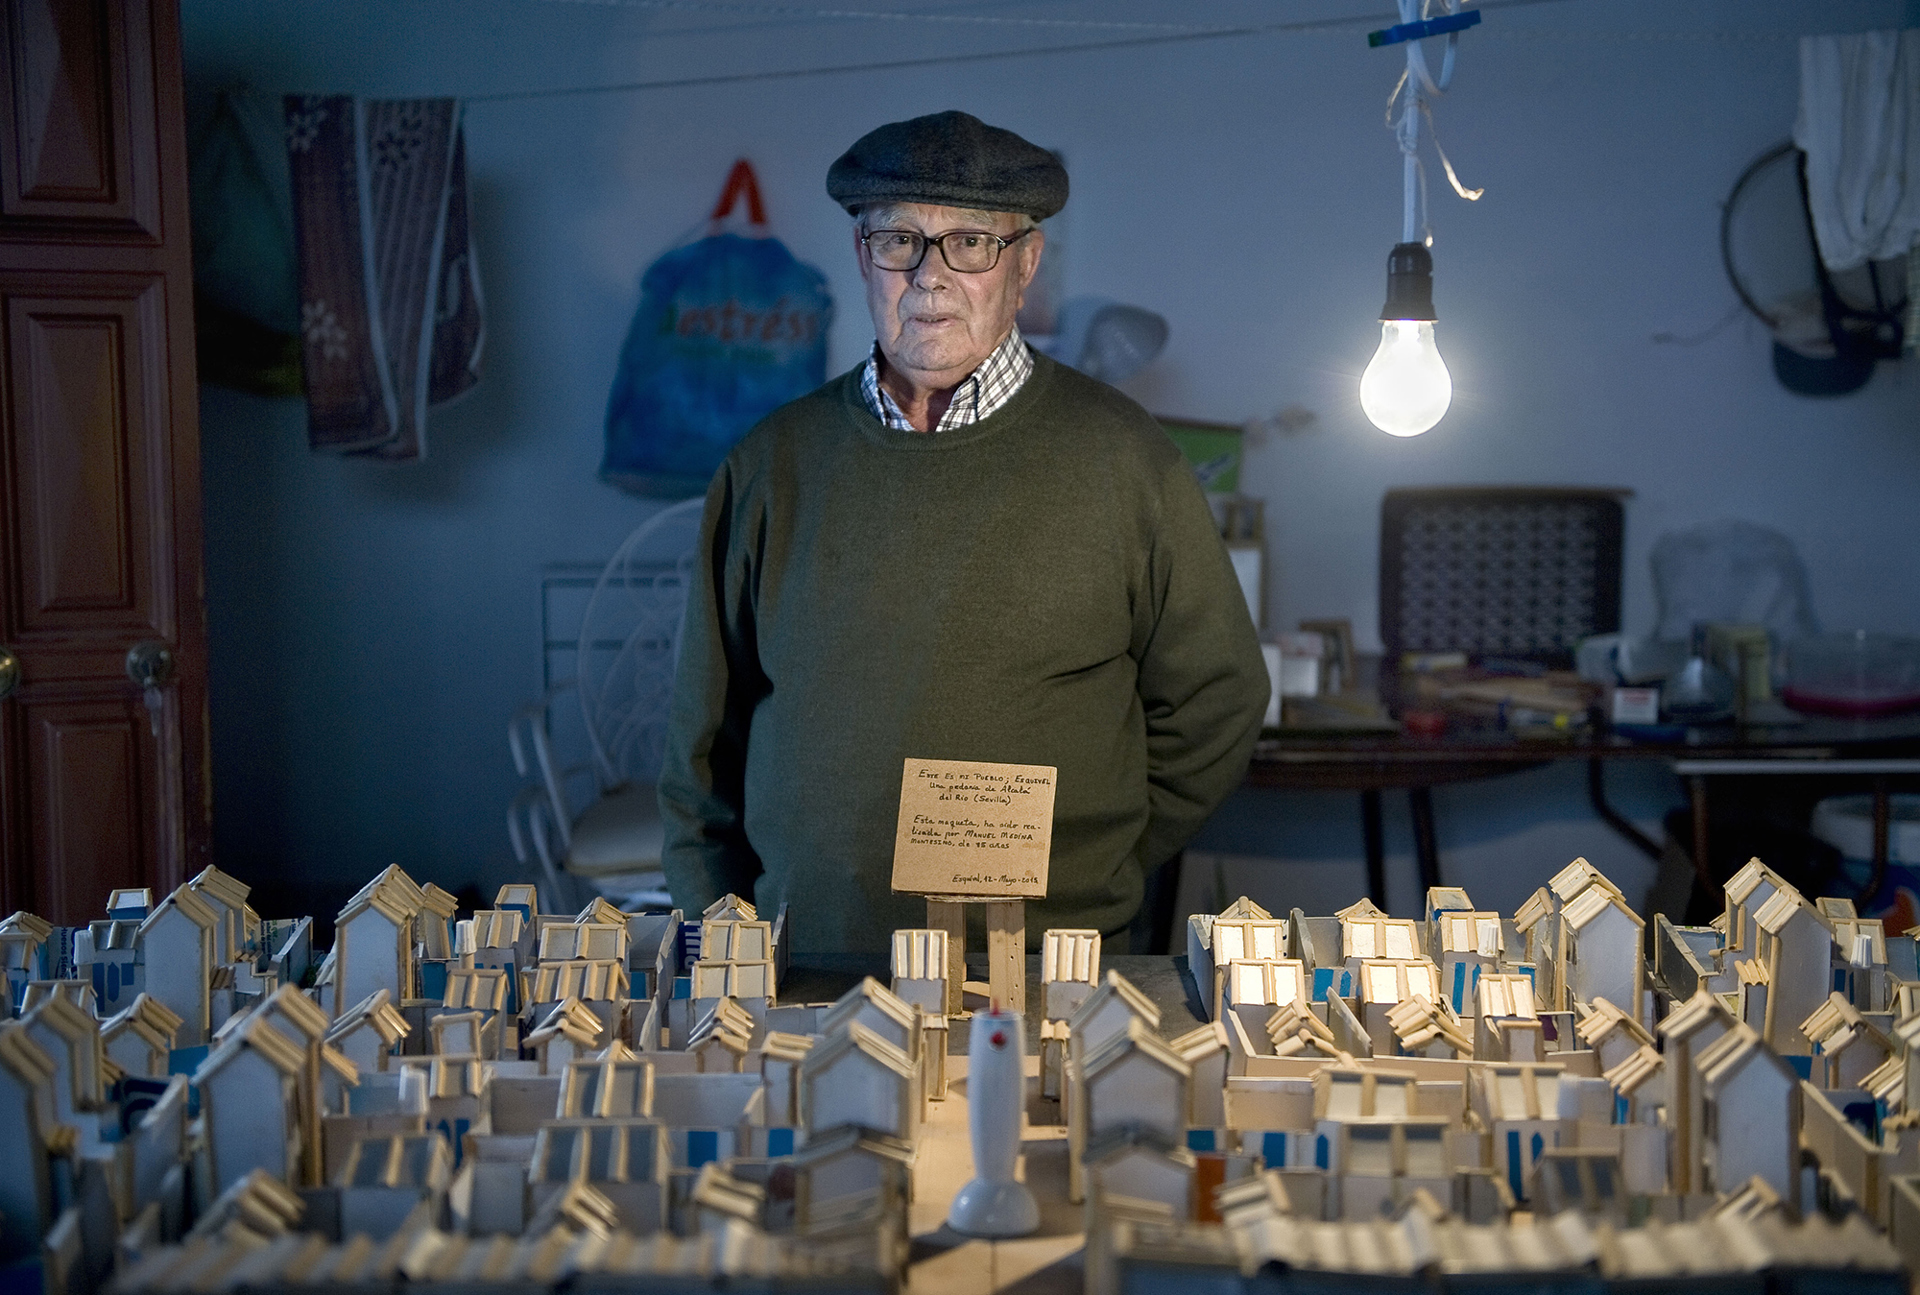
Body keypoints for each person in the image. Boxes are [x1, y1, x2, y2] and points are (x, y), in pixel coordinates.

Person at [660, 110, 1269, 953]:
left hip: (1045, 966)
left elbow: (1218, 698)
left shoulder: (1128, 460)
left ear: (1025, 266)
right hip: (806, 960)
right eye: (899, 240)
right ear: (862, 257)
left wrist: (1094, 857)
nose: (930, 277)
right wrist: (722, 920)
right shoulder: (773, 464)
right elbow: (702, 732)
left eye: (971, 243)